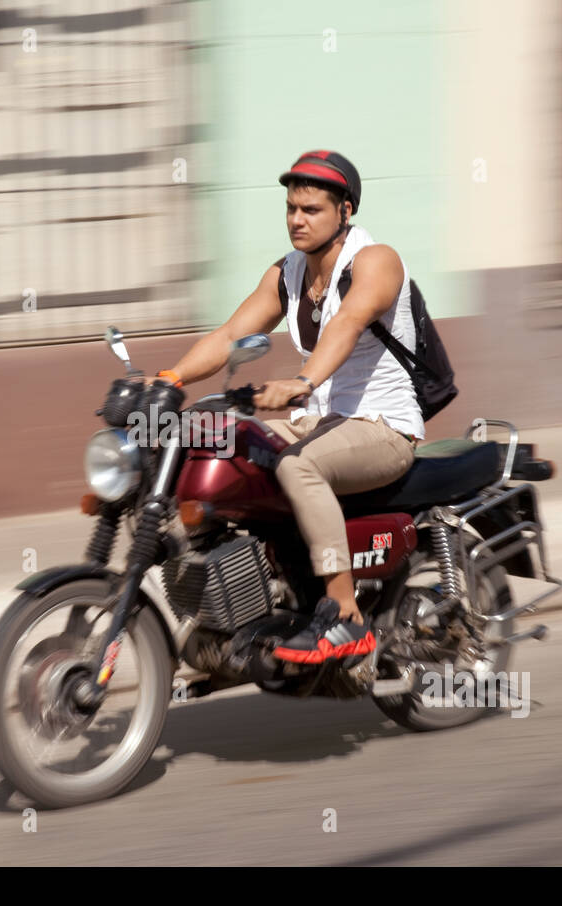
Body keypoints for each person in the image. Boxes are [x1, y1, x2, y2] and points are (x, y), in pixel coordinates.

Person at [153, 150, 423, 666]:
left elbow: (347, 323)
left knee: (299, 465)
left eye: (312, 210)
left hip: (382, 427)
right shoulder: (288, 273)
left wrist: (302, 380)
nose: (297, 219)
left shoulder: (376, 260)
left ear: (345, 211)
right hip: (320, 422)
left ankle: (346, 617)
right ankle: (236, 607)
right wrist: (170, 379)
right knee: (224, 453)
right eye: (291, 208)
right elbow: (233, 334)